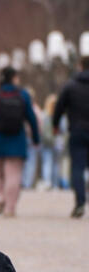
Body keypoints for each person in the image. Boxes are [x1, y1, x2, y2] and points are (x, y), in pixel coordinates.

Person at [0, 67, 39, 217]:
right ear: (14, 78)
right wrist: (35, 138)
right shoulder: (23, 95)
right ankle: (10, 207)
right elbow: (32, 119)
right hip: (17, 140)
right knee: (13, 174)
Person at [52, 55, 89, 218]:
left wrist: (55, 125)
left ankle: (80, 203)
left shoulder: (71, 86)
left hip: (77, 130)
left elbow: (59, 107)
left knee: (77, 168)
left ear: (80, 66)